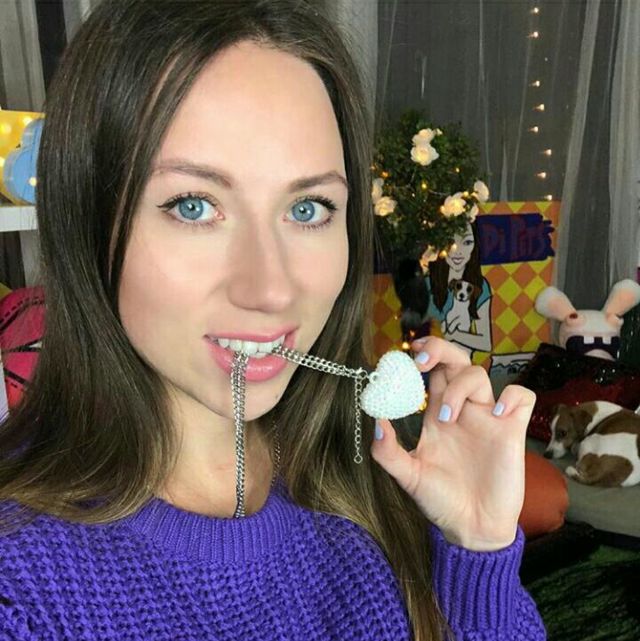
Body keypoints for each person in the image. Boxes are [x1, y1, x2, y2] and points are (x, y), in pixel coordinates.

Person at [0, 1, 546, 639]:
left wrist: (476, 548)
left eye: (309, 209)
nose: (270, 290)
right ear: (88, 221)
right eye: (194, 205)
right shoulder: (21, 589)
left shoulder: (380, 472)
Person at [426, 221, 493, 357]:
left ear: (475, 245)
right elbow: (416, 337)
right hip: (429, 362)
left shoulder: (480, 285)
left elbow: (485, 343)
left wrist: (453, 335)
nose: (458, 251)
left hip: (462, 362)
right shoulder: (426, 284)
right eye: (449, 242)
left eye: (467, 242)